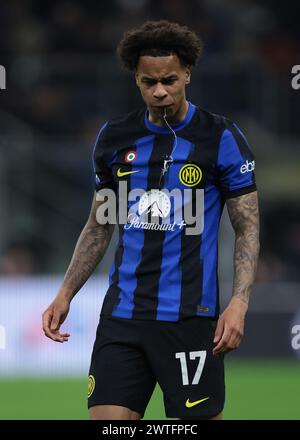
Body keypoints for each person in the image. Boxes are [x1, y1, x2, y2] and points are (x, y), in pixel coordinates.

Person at [42, 20, 260, 420]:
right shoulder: (114, 137)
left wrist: (239, 303)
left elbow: (247, 226)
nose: (160, 91)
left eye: (169, 80)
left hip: (191, 318)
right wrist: (65, 293)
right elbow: (99, 224)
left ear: (188, 74)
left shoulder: (221, 137)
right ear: (136, 81)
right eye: (149, 82)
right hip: (123, 317)